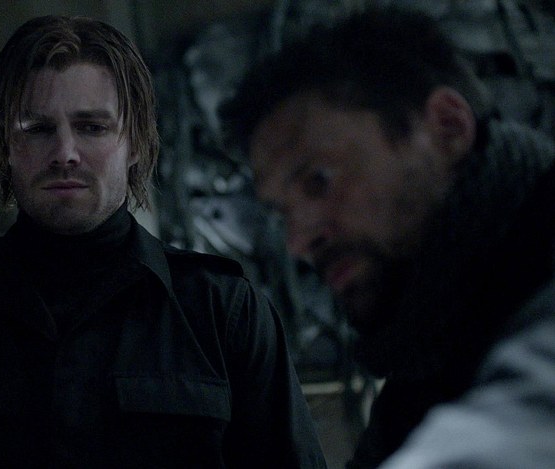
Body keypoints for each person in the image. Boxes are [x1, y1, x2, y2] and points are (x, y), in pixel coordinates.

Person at [0, 15, 326, 468]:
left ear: (134, 142)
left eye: (91, 127)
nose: (65, 152)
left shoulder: (222, 314)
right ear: (6, 146)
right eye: (38, 129)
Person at [221, 5, 555, 469]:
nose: (298, 241)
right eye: (283, 213)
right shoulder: (420, 372)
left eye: (319, 180)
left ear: (448, 128)